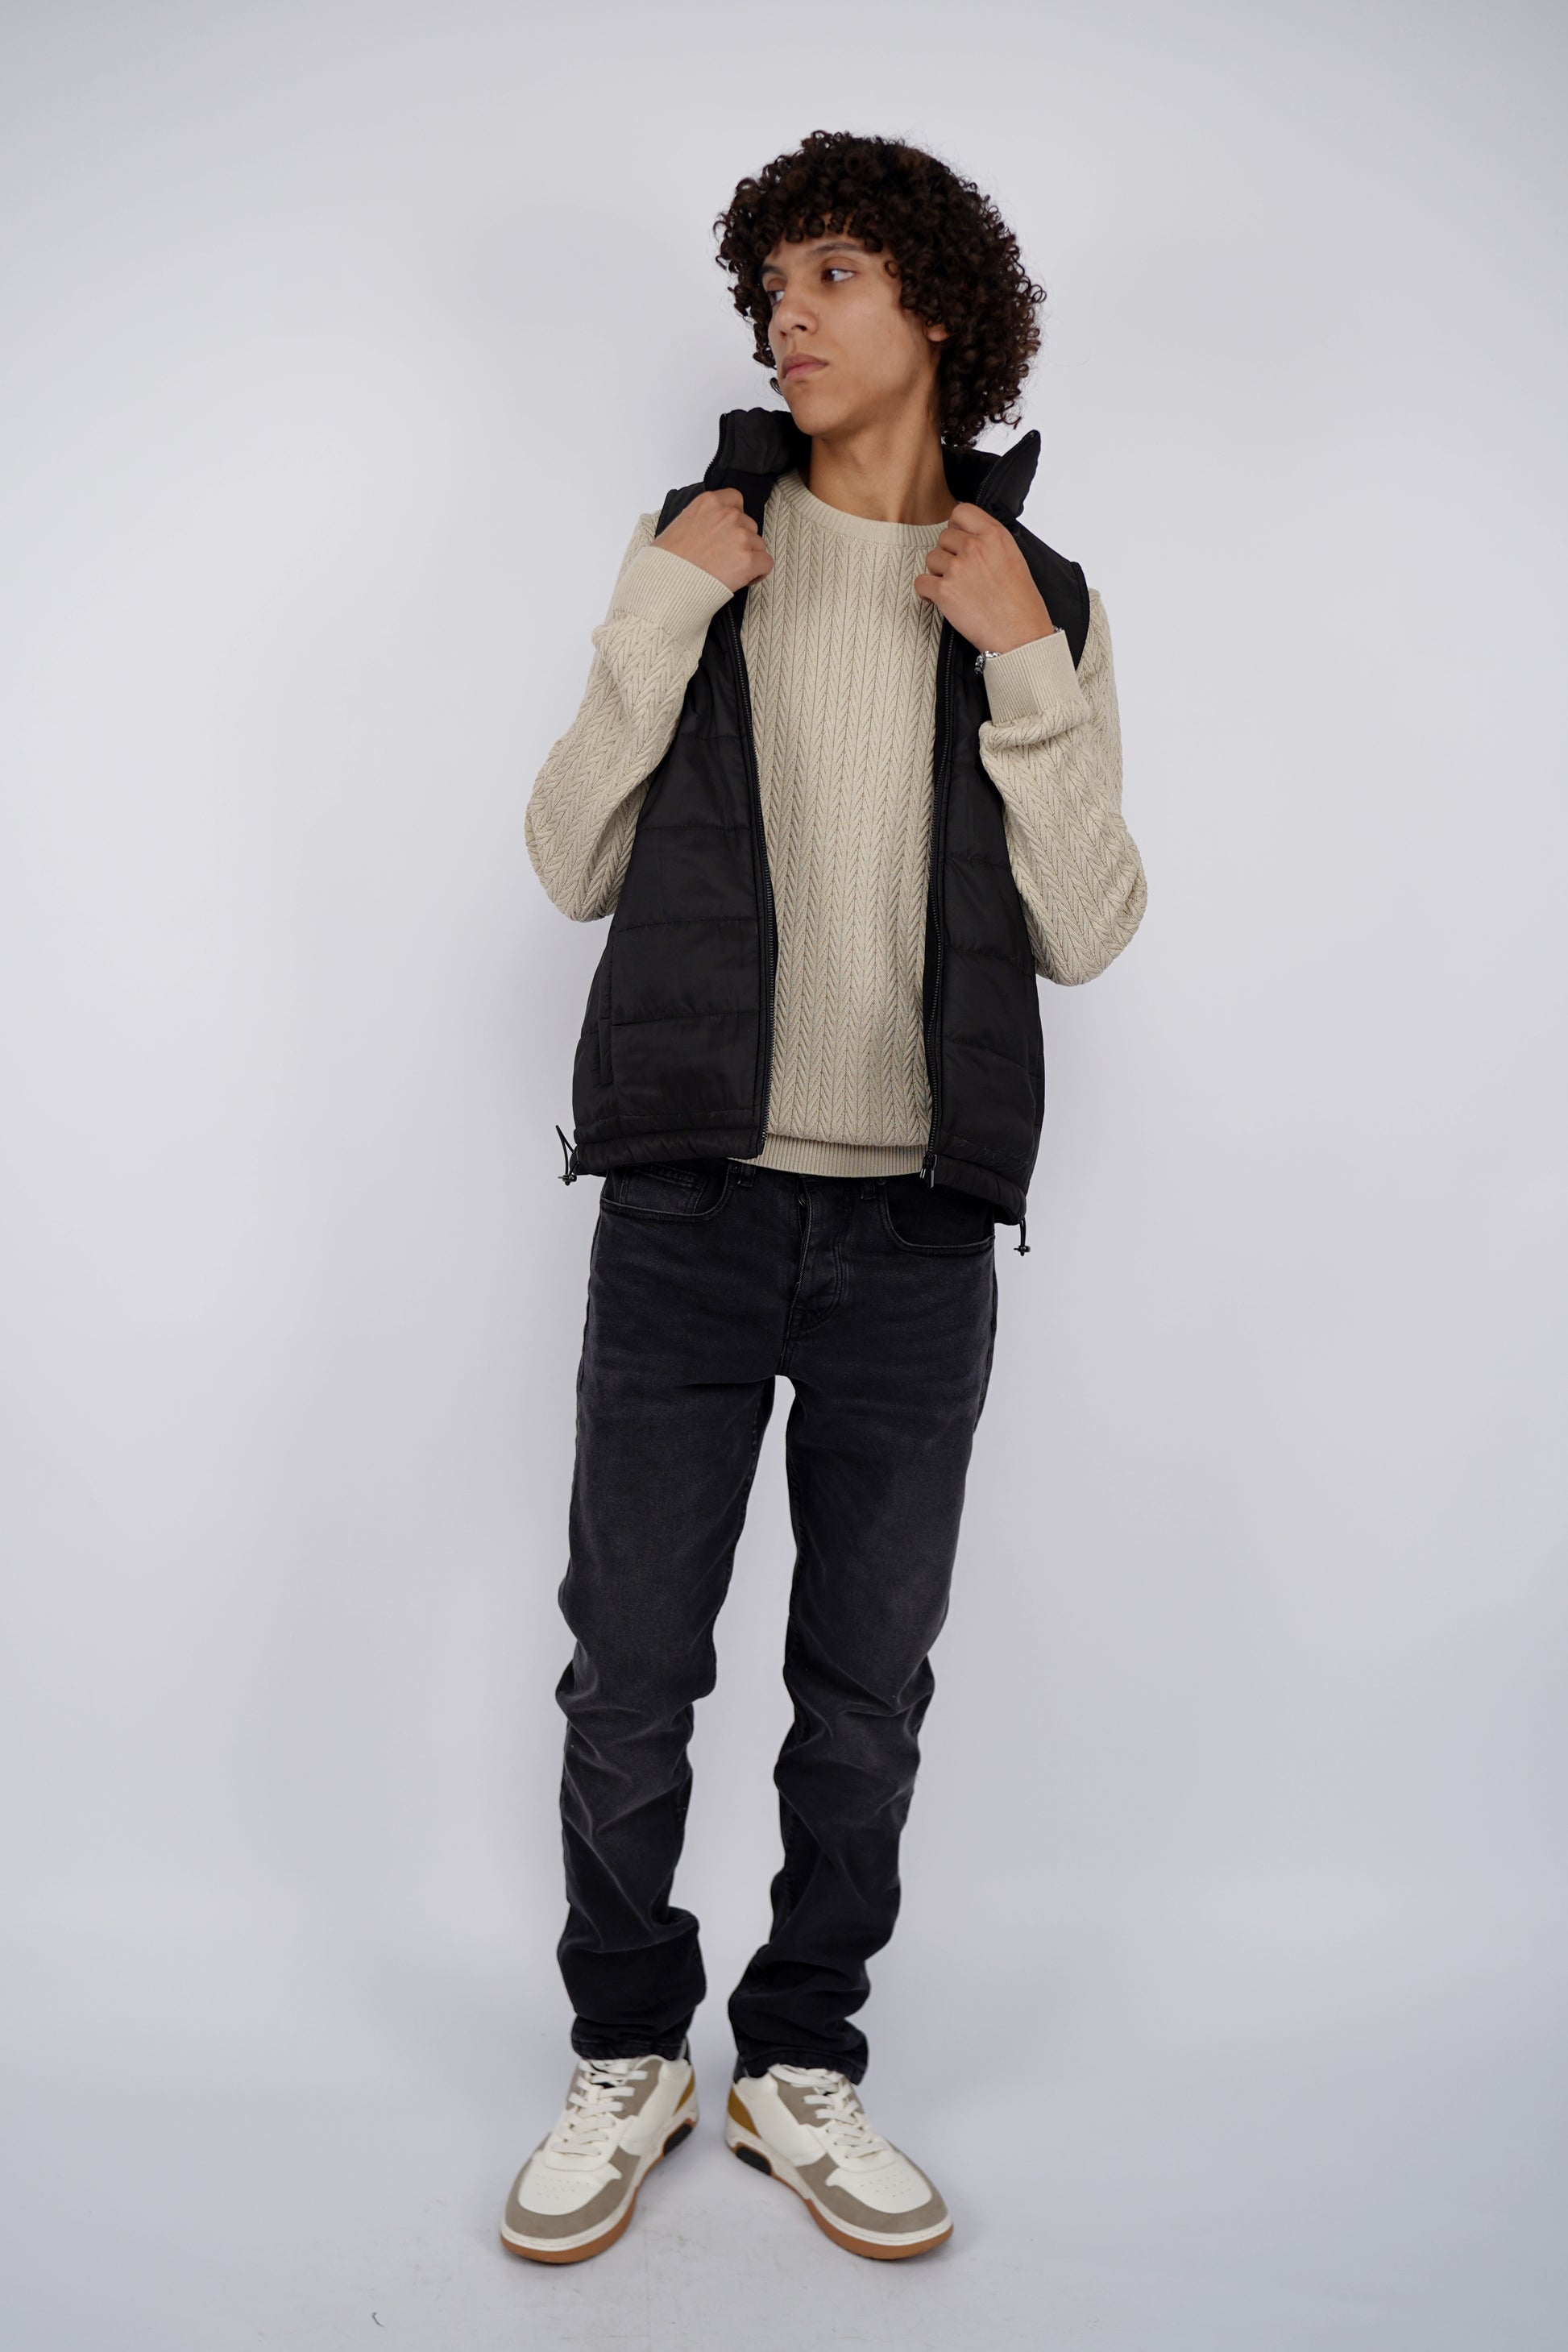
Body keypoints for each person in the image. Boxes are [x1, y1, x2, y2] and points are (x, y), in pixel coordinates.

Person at [501, 128, 1146, 2267]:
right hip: (687, 1212)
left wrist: (1024, 662)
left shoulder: (1036, 595)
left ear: (937, 307)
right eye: (767, 284)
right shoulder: (698, 549)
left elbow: (1089, 928)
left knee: (864, 1696)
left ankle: (798, 2064)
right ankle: (629, 2049)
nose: (786, 315)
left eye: (833, 274)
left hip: (917, 1240)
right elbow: (569, 862)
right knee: (628, 1679)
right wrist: (662, 605)